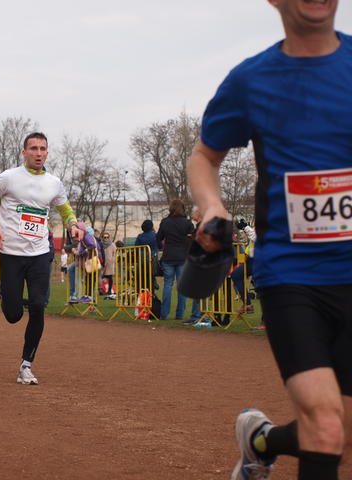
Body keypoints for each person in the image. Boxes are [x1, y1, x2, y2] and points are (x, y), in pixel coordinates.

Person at [187, 2, 351, 478]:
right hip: (291, 275)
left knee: (341, 437)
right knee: (325, 426)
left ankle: (260, 440)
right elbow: (204, 156)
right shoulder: (251, 80)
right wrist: (212, 206)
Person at [0, 132, 84, 385]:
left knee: (37, 305)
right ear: (24, 152)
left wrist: (73, 225)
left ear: (47, 152)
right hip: (11, 254)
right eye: (33, 148)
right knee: (13, 315)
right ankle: (5, 290)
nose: (38, 153)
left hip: (40, 254)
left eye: (42, 148)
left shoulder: (54, 183)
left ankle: (26, 365)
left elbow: (65, 210)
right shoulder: (9, 178)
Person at [156, 199, 194, 321]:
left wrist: (162, 247)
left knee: (167, 285)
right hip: (182, 257)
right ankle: (180, 314)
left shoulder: (165, 222)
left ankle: (164, 314)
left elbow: (158, 238)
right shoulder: (187, 223)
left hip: (168, 256)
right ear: (182, 208)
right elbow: (192, 239)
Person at [134, 219, 160, 290]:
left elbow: (136, 248)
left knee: (142, 277)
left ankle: (143, 291)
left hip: (141, 260)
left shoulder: (140, 236)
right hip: (153, 259)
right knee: (151, 275)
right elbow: (160, 246)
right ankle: (153, 285)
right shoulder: (155, 235)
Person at [101, 232, 116, 299]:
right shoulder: (101, 244)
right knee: (102, 276)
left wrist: (112, 260)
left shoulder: (112, 244)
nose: (106, 238)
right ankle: (102, 289)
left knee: (110, 277)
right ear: (103, 238)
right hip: (102, 262)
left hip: (110, 263)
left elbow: (115, 253)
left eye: (107, 237)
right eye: (105, 237)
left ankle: (109, 290)